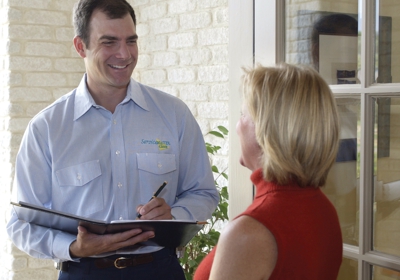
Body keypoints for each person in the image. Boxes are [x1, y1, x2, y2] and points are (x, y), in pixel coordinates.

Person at [6, 0, 219, 279]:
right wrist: (73, 246)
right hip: (83, 271)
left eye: (131, 41)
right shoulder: (46, 128)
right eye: (109, 42)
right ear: (80, 46)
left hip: (160, 269)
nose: (124, 54)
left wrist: (174, 216)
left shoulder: (174, 114)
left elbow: (203, 193)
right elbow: (19, 224)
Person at [194, 63, 343, 280]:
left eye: (243, 115)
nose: (237, 126)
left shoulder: (250, 232)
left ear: (268, 130)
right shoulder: (324, 209)